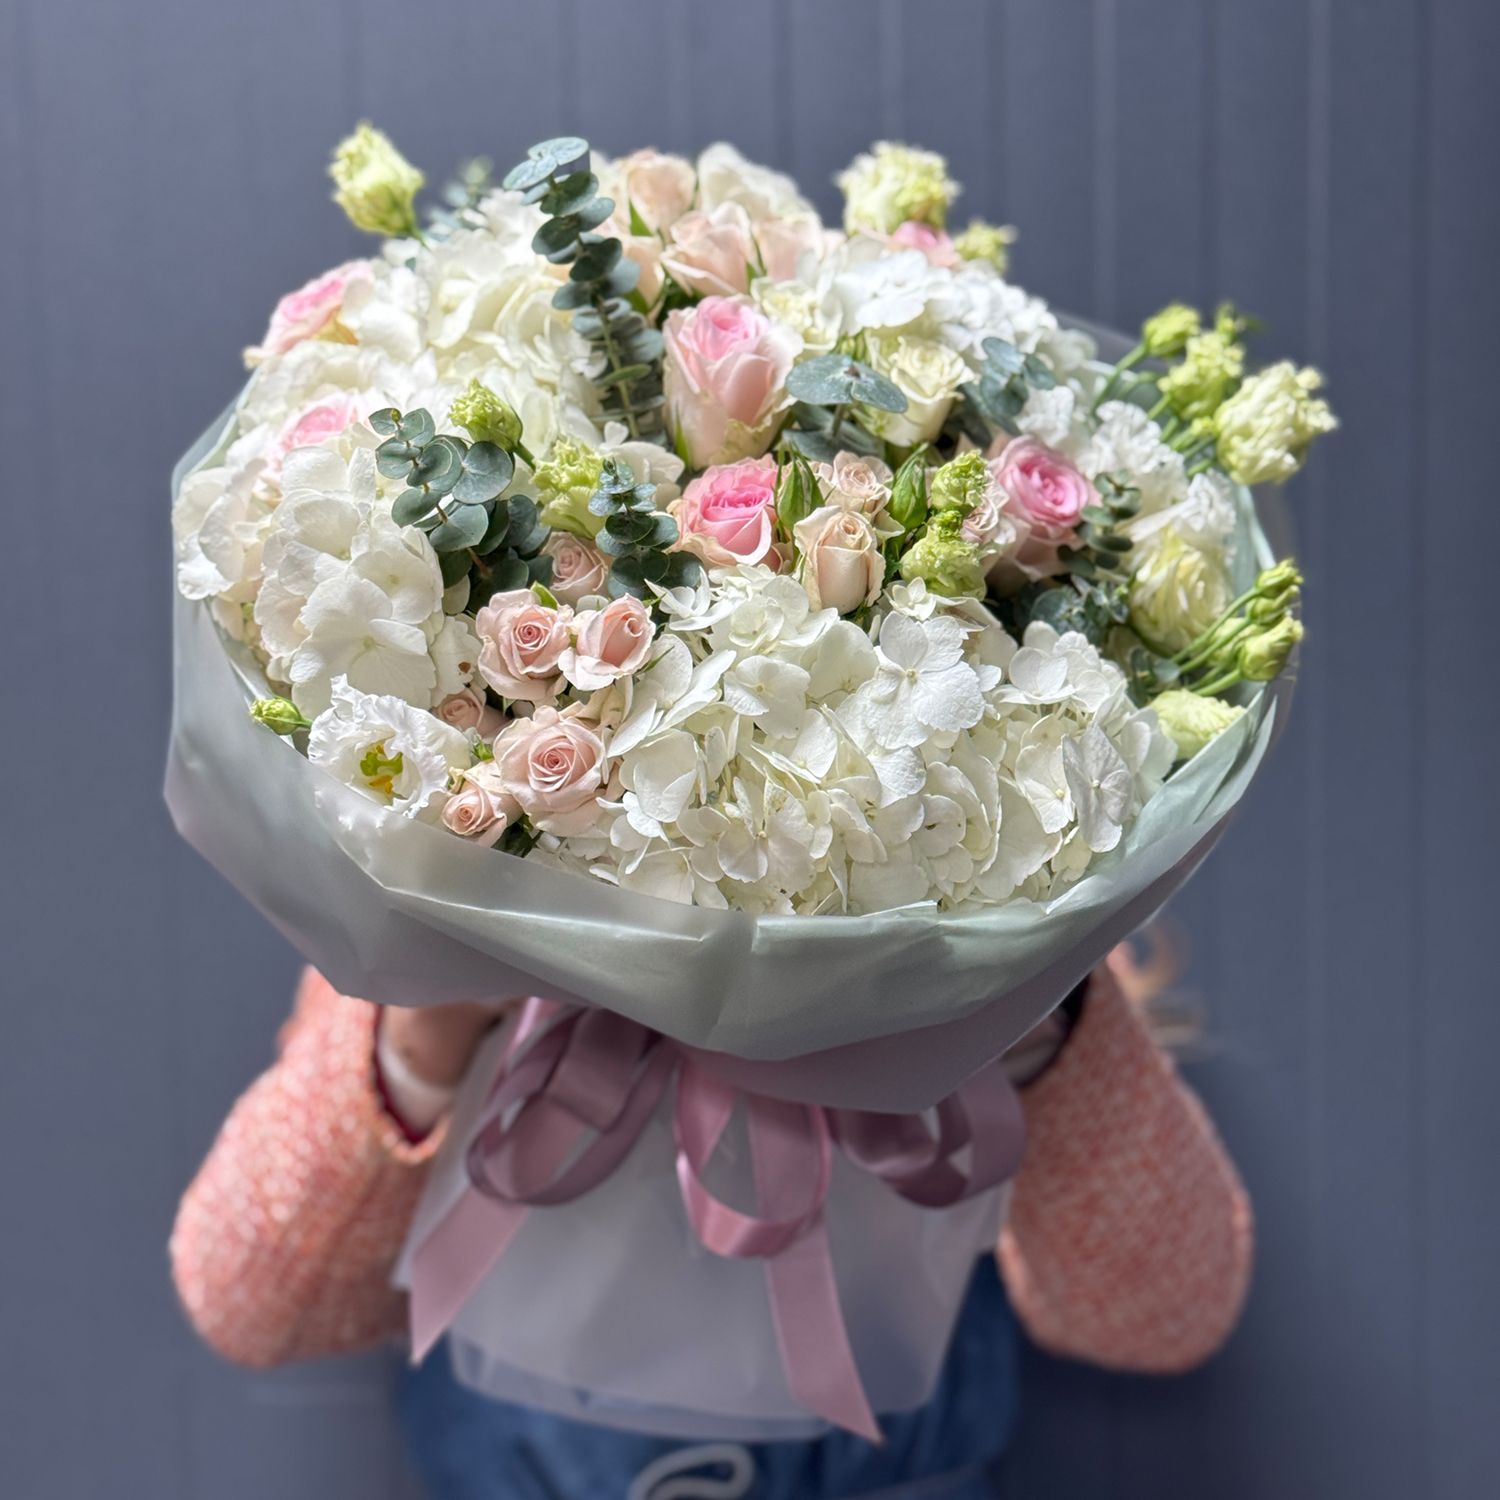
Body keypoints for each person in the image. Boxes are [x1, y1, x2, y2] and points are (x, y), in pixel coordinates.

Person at [172, 948, 1251, 1499]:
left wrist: (1037, 1021)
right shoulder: (423, 936)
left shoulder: (1001, 939)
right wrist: (418, 1038)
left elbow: (1165, 1315)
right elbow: (251, 1304)